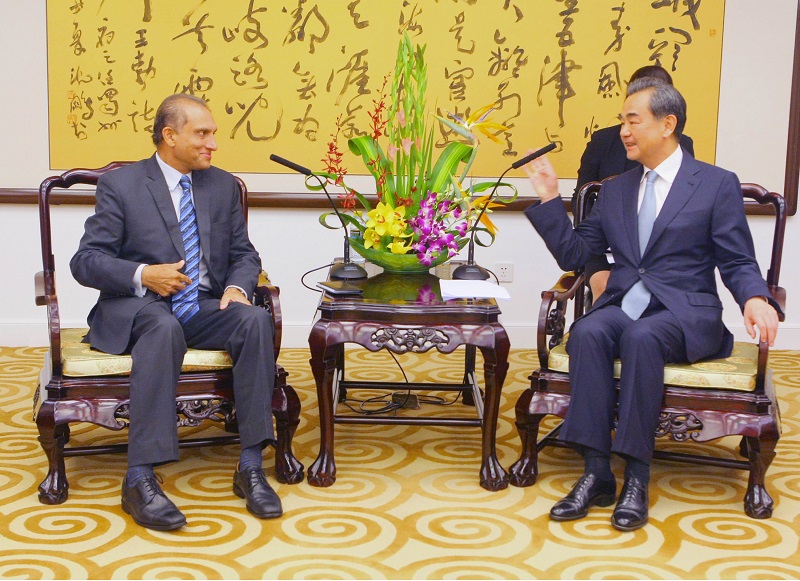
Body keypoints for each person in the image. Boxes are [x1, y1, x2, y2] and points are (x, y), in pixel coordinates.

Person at [522, 78, 780, 531]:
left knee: (642, 336)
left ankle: (637, 477)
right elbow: (578, 256)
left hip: (685, 312)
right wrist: (548, 198)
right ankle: (597, 472)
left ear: (667, 124)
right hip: (626, 303)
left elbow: (737, 259)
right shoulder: (618, 188)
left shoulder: (715, 184)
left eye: (632, 120)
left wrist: (756, 297)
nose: (623, 130)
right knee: (588, 331)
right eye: (622, 120)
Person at [71, 94, 281, 531]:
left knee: (255, 320)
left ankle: (250, 465)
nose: (213, 144)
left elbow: (245, 253)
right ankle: (140, 477)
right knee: (163, 326)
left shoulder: (221, 186)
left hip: (204, 306)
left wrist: (239, 288)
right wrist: (143, 274)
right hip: (140, 307)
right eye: (202, 134)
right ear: (170, 136)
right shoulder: (123, 186)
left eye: (213, 134)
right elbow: (86, 261)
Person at [574, 65, 694, 300]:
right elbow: (584, 211)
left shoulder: (682, 145)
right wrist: (596, 269)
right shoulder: (602, 141)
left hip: (662, 260)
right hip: (606, 256)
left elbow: (684, 214)